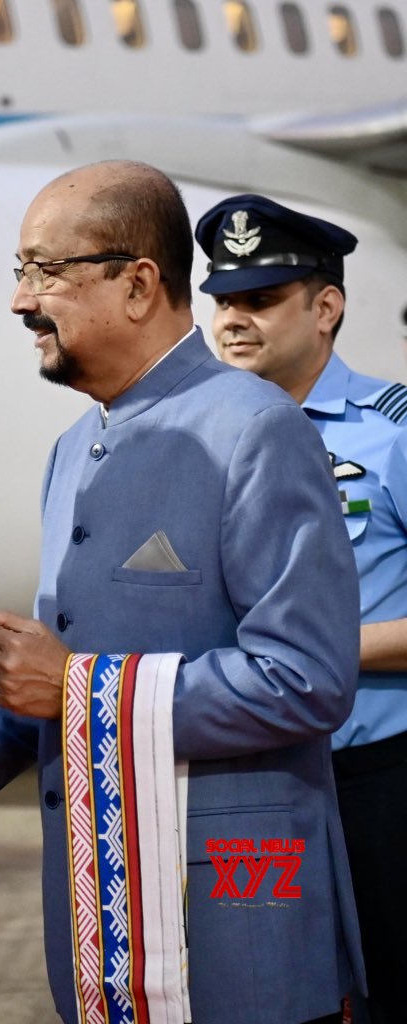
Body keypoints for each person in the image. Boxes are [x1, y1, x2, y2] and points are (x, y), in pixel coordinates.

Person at [0, 161, 364, 1024]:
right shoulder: (74, 450)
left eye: (46, 271)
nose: (21, 301)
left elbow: (307, 678)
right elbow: (57, 675)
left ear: (137, 283)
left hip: (233, 925)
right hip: (105, 932)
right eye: (20, 272)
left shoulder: (256, 430)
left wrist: (79, 687)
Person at [197, 193, 407, 1024]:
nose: (233, 320)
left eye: (260, 300)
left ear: (327, 308)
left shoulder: (389, 432)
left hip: (379, 778)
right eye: (223, 300)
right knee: (276, 998)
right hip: (259, 780)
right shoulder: (200, 438)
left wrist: (314, 656)